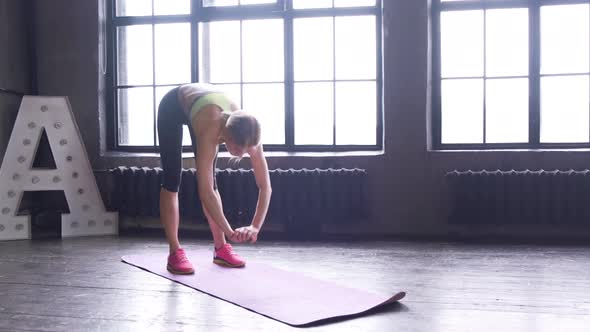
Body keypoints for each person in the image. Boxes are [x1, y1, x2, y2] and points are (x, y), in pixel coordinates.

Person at [157, 83, 272, 274]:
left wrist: (255, 226)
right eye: (237, 149)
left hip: (203, 105)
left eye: (246, 150)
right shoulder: (212, 128)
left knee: (214, 180)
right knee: (172, 179)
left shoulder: (250, 133)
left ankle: (221, 249)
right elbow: (205, 192)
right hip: (174, 106)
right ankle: (174, 251)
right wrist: (230, 230)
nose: (242, 155)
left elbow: (265, 186)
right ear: (226, 135)